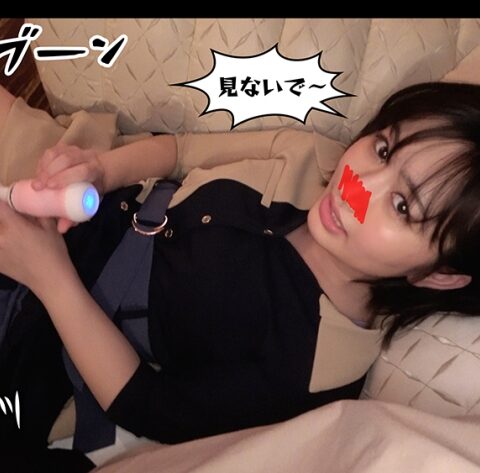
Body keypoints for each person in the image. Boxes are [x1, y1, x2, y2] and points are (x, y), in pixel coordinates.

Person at [0, 80, 479, 471]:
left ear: (441, 275)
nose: (357, 186)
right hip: (72, 206)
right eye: (383, 149)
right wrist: (99, 170)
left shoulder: (316, 369)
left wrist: (50, 277)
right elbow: (180, 150)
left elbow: (148, 406)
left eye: (402, 206)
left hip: (53, 320)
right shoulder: (311, 155)